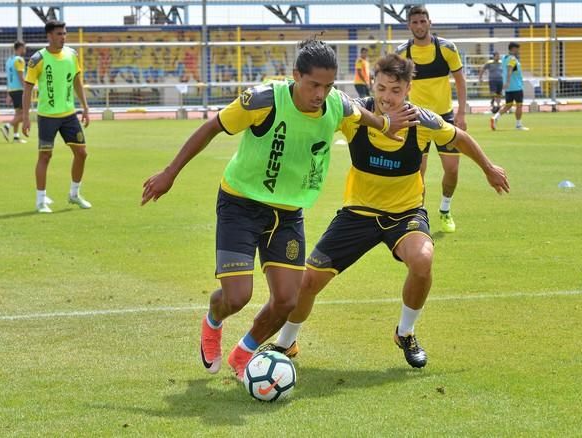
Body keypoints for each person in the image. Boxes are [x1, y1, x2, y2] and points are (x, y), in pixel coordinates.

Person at [141, 39, 419, 382]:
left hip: (288, 214)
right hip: (241, 204)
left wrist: (385, 125)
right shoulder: (263, 100)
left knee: (287, 300)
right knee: (237, 296)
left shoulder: (335, 103)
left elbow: (359, 113)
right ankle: (213, 320)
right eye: (313, 84)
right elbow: (212, 127)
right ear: (295, 76)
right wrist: (170, 173)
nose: (321, 93)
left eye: (328, 85)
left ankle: (243, 354)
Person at [268, 54, 510, 369]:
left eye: (395, 90)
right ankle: (286, 343)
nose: (386, 97)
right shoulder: (356, 115)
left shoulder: (422, 121)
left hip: (404, 214)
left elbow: (460, 138)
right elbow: (319, 112)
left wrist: (489, 168)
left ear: (408, 89)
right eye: (381, 88)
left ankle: (405, 333)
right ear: (373, 84)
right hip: (358, 213)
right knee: (309, 282)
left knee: (422, 261)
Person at [396, 6, 467, 234]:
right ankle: (418, 217)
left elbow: (460, 80)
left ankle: (445, 210)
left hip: (445, 117)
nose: (419, 25)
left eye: (422, 21)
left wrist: (462, 113)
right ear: (409, 25)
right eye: (414, 22)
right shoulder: (402, 53)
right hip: (416, 119)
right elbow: (395, 85)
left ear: (430, 22)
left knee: (453, 169)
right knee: (418, 172)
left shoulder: (446, 48)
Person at [22, 20, 92, 214]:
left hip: (69, 115)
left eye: (64, 33)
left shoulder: (72, 55)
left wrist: (85, 107)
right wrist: (26, 117)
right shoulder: (38, 59)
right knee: (45, 156)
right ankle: (40, 200)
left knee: (82, 153)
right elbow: (27, 89)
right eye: (59, 34)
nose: (63, 37)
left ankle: (74, 194)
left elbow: (77, 82)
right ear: (49, 36)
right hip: (47, 116)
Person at [491, 43, 529, 131]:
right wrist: (508, 82)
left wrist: (506, 83)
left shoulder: (504, 58)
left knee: (508, 105)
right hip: (516, 86)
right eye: (517, 49)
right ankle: (518, 125)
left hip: (509, 88)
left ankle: (495, 118)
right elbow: (509, 69)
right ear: (513, 49)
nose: (518, 51)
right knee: (519, 105)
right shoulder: (513, 59)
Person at [1, 41, 27, 143]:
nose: (25, 50)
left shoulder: (9, 60)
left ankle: (16, 137)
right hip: (19, 90)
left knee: (18, 114)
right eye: (24, 48)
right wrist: (27, 88)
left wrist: (8, 94)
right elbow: (21, 77)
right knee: (24, 115)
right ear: (20, 48)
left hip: (12, 90)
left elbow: (9, 78)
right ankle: (7, 126)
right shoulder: (19, 60)